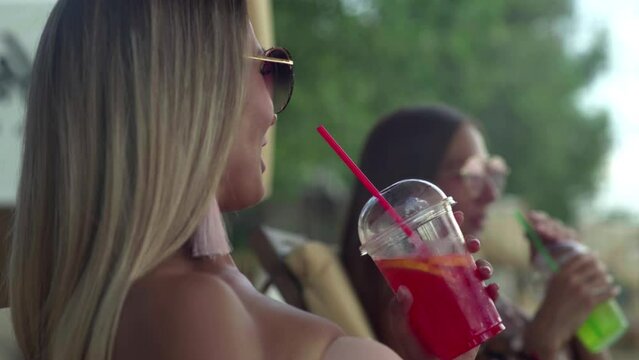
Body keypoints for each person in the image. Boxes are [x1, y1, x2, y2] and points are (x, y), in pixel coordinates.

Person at [7, 1, 495, 359]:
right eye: (264, 68)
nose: (272, 107)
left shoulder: (184, 299)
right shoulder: (193, 313)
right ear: (191, 97)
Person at [341, 105, 618, 360]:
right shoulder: (386, 326)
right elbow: (538, 344)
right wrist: (543, 342)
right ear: (407, 191)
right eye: (470, 174)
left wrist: (580, 309)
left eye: (490, 172)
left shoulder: (479, 300)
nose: (490, 193)